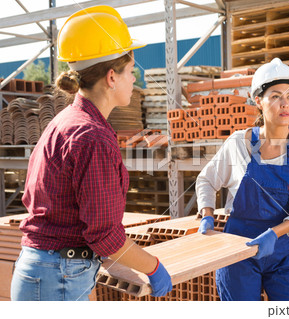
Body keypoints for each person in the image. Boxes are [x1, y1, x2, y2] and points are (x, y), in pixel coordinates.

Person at [10, 6, 172, 301]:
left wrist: (113, 262)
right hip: (58, 277)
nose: (134, 80)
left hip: (49, 271)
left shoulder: (67, 121)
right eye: (131, 72)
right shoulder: (92, 136)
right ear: (112, 77)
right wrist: (154, 267)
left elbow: (70, 215)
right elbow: (105, 236)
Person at [196, 58, 289, 301]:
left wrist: (275, 233)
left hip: (284, 253)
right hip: (238, 254)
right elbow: (206, 180)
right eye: (275, 96)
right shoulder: (239, 143)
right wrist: (207, 215)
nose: (284, 104)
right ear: (258, 101)